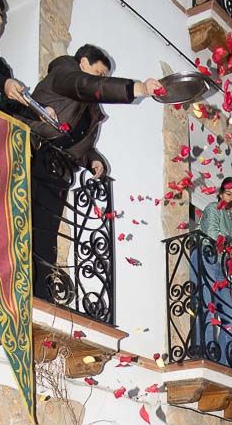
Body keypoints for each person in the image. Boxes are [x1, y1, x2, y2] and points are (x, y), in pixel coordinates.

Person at [27, 44, 159, 282]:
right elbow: (87, 86)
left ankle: (40, 288)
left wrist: (93, 160)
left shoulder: (89, 109)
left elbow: (77, 143)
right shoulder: (64, 74)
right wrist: (137, 88)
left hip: (57, 169)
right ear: (84, 63)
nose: (100, 80)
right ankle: (22, 282)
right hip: (34, 156)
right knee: (27, 224)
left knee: (45, 234)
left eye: (104, 78)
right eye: (99, 74)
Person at [194, 175, 232, 361]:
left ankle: (223, 361)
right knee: (206, 307)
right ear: (221, 193)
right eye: (228, 193)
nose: (231, 198)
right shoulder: (212, 208)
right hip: (206, 257)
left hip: (223, 268)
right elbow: (213, 233)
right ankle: (206, 354)